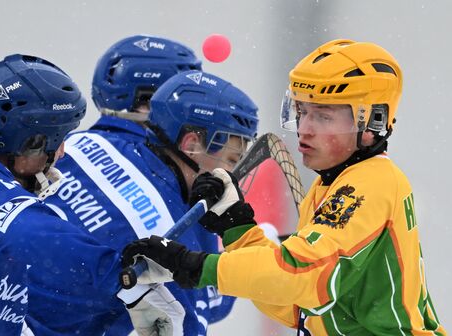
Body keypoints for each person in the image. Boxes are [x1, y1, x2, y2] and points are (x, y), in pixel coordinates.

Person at [121, 39, 448, 335]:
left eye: (323, 116)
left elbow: (302, 276)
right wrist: (237, 228)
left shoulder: (370, 184)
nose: (304, 129)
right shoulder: (330, 186)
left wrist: (192, 266)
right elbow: (294, 302)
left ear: (371, 122)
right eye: (301, 112)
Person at [0, 54, 179, 335]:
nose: (61, 153)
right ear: (28, 143)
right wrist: (124, 278)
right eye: (56, 140)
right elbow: (34, 233)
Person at [32, 67, 257, 335]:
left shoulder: (85, 140)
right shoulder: (170, 237)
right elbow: (191, 322)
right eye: (231, 159)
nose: (231, 176)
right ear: (192, 143)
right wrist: (251, 257)